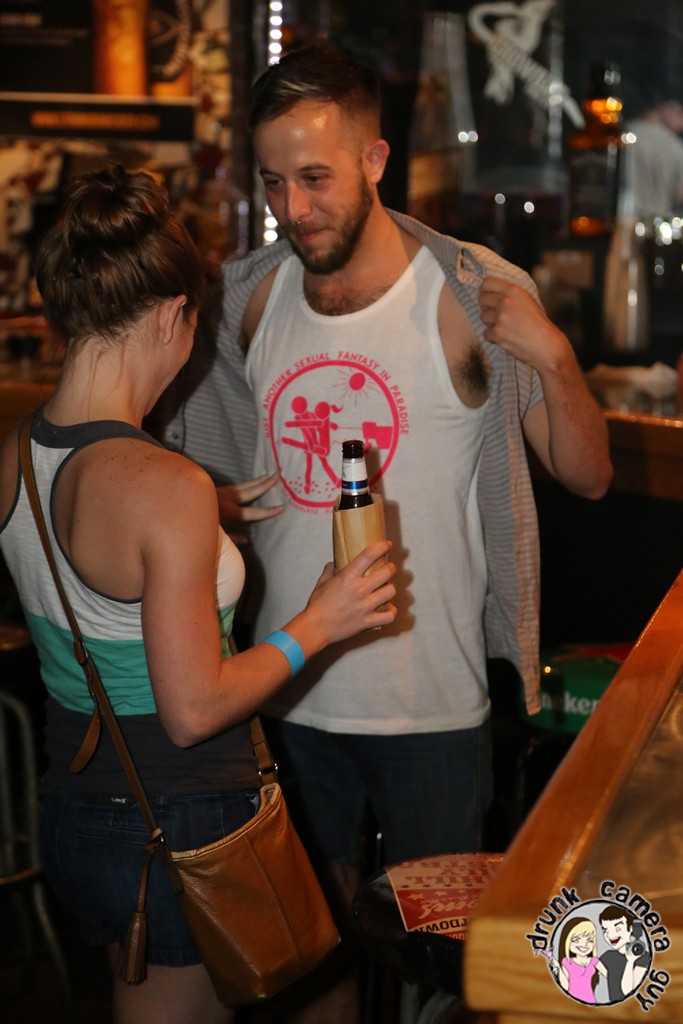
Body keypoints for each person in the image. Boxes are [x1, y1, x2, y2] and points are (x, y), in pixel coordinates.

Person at [157, 46, 612, 1021]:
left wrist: (556, 360)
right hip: (284, 694)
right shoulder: (245, 298)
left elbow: (588, 475)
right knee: (304, 972)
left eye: (315, 178)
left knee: (439, 985)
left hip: (430, 706)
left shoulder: (471, 290)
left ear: (373, 160)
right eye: (273, 183)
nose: (293, 207)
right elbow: (200, 472)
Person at [0, 165, 397, 1024]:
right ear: (172, 315)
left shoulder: (18, 450)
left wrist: (196, 520)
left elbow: (89, 558)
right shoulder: (162, 487)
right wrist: (319, 623)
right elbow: (193, 709)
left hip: (80, 807)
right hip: (179, 817)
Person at [599, 906, 651, 1002]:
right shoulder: (608, 956)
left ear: (630, 929)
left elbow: (628, 992)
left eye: (618, 929)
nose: (610, 935)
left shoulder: (643, 957)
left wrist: (630, 961)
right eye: (605, 930)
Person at [552, 917, 607, 1004]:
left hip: (590, 1001)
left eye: (590, 940)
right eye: (576, 940)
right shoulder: (567, 962)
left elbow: (610, 976)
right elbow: (565, 986)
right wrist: (558, 967)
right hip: (571, 1002)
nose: (584, 944)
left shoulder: (594, 961)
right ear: (567, 941)